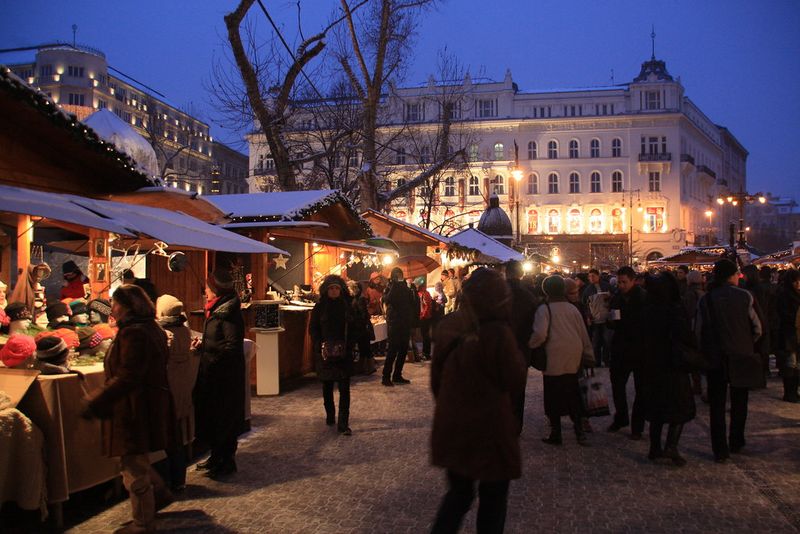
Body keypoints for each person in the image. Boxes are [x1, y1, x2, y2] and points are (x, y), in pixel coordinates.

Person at [430, 268, 526, 534]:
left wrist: (451, 405)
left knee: (458, 495)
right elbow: (514, 379)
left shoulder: (449, 325)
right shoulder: (497, 332)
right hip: (490, 429)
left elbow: (436, 381)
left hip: (454, 425)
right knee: (493, 500)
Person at [80, 284, 172, 533]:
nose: (113, 308)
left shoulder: (135, 333)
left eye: (115, 303)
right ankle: (160, 493)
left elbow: (128, 375)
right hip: (143, 404)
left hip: (134, 408)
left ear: (128, 306)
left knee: (133, 466)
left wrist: (97, 400)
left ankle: (143, 523)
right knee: (136, 459)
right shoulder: (149, 328)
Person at [697, 259, 762, 463]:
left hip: (715, 357)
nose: (738, 277)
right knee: (739, 401)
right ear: (730, 276)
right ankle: (736, 440)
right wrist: (746, 343)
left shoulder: (706, 299)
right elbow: (758, 328)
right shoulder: (745, 296)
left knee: (717, 405)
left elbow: (698, 330)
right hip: (741, 356)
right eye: (736, 274)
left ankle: (720, 449)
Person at [193, 268, 245, 479]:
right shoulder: (216, 310)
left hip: (225, 377)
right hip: (214, 373)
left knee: (225, 418)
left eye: (207, 288)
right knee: (213, 417)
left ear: (216, 290)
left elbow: (232, 346)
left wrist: (213, 359)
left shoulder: (228, 313)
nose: (205, 292)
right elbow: (217, 340)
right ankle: (216, 456)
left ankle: (226, 460)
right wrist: (203, 346)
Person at [530, 275, 595, 446]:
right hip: (573, 356)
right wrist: (588, 355)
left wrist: (530, 345)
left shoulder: (545, 309)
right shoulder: (572, 309)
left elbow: (539, 334)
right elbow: (583, 333)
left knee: (553, 395)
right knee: (573, 393)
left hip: (553, 357)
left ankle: (556, 432)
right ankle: (579, 431)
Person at [641, 272, 696, 466]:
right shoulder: (674, 309)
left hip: (653, 365)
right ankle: (671, 446)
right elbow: (685, 336)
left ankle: (655, 447)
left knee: (657, 409)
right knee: (679, 408)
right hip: (673, 366)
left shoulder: (648, 309)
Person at [156, 294, 195, 492]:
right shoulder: (185, 331)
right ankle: (179, 478)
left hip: (167, 390)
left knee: (169, 439)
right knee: (177, 436)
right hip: (182, 389)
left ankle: (169, 479)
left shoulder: (165, 334)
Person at [310, 275, 354, 435]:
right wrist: (317, 344)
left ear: (341, 289)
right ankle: (330, 414)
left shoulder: (347, 305)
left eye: (337, 288)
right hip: (325, 353)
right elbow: (313, 327)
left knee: (344, 389)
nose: (334, 291)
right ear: (326, 290)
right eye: (331, 288)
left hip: (344, 353)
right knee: (327, 387)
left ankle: (343, 424)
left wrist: (351, 343)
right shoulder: (320, 307)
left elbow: (356, 326)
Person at [607, 266, 647, 439]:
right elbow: (614, 322)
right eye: (619, 282)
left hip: (639, 348)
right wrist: (609, 319)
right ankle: (621, 417)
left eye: (624, 282)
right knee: (617, 385)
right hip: (620, 348)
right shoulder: (617, 298)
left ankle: (637, 426)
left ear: (633, 280)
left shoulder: (644, 298)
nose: (621, 285)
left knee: (641, 389)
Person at [505, 260, 537, 431]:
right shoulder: (529, 295)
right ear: (521, 274)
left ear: (506, 273)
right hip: (522, 349)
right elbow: (535, 324)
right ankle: (516, 424)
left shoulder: (496, 294)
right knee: (518, 389)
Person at [381, 267, 416, 386]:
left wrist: (411, 289)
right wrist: (395, 286)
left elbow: (412, 302)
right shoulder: (389, 287)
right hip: (394, 323)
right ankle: (386, 377)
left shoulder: (406, 287)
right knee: (392, 350)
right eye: (397, 275)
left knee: (403, 350)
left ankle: (397, 375)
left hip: (405, 322)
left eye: (400, 275)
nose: (399, 278)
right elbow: (387, 300)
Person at [775, 269, 800, 402]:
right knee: (791, 364)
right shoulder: (784, 295)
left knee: (796, 365)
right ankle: (790, 392)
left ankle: (794, 391)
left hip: (797, 334)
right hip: (789, 335)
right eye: (795, 281)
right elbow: (783, 315)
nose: (798, 283)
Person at [581, 268, 611, 367]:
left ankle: (606, 359)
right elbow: (585, 305)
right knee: (596, 341)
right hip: (595, 318)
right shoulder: (588, 290)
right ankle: (597, 361)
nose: (591, 278)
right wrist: (588, 316)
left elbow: (614, 298)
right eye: (589, 276)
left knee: (607, 340)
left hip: (606, 317)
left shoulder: (606, 286)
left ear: (598, 276)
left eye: (593, 276)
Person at [347, 280, 375, 373]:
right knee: (363, 347)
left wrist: (355, 320)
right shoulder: (356, 298)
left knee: (365, 348)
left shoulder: (360, 299)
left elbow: (363, 314)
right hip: (360, 327)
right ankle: (362, 367)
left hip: (362, 328)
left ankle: (370, 367)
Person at [416, 276, 434, 360]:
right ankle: (425, 352)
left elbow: (428, 306)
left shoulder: (425, 293)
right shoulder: (419, 293)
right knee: (424, 335)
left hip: (425, 317)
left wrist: (423, 315)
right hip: (422, 316)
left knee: (425, 335)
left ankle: (427, 353)